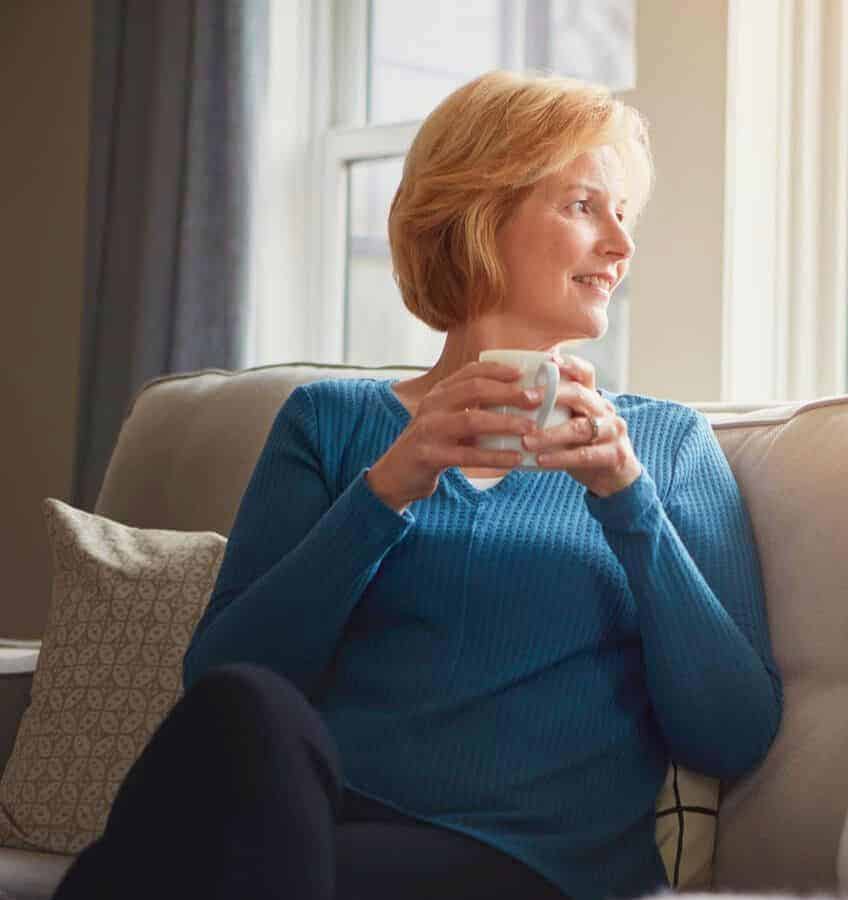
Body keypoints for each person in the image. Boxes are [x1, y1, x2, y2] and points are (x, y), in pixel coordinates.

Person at [52, 71, 782, 900]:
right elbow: (227, 674)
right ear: (481, 212)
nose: (621, 243)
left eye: (627, 215)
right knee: (245, 710)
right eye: (585, 205)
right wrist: (388, 489)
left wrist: (626, 500)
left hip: (531, 870)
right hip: (309, 831)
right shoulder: (328, 426)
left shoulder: (664, 447)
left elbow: (732, 733)